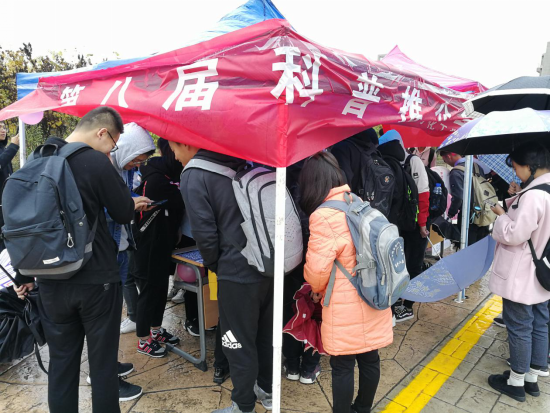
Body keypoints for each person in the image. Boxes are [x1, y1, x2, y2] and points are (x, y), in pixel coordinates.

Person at [14, 107, 149, 413]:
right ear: (102, 132)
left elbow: (23, 223)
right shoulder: (95, 161)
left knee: (61, 364)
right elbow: (122, 212)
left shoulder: (36, 160)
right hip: (96, 279)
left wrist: (24, 276)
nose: (111, 150)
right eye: (113, 144)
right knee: (102, 365)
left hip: (49, 280)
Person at [173, 141, 273, 413]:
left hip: (235, 270)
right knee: (265, 333)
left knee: (236, 340)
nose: (174, 155)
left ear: (185, 142)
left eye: (173, 146)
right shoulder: (242, 160)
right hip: (268, 263)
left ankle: (243, 404)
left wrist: (217, 266)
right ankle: (266, 390)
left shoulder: (194, 174)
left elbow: (204, 235)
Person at [301, 152, 393, 413]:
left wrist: (316, 291)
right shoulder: (358, 202)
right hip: (373, 291)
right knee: (370, 357)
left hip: (345, 301)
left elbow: (317, 271)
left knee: (342, 365)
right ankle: (362, 408)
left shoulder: (323, 215)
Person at [487, 143, 550, 403]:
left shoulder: (534, 196)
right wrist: (518, 195)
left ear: (530, 166)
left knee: (519, 326)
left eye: (516, 167)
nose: (515, 172)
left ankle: (515, 382)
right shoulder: (541, 190)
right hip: (541, 271)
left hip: (522, 272)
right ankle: (532, 378)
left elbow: (515, 234)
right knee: (540, 322)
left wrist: (501, 215)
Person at [133, 138, 183, 358]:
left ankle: (155, 330)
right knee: (148, 292)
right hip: (148, 246)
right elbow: (180, 201)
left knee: (161, 288)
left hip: (163, 243)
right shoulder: (156, 180)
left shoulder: (167, 176)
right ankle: (143, 339)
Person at [378, 131, 430, 323]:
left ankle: (408, 306)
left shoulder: (413, 162)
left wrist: (422, 224)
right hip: (400, 223)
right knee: (401, 264)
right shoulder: (387, 163)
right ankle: (400, 300)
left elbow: (423, 194)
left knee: (413, 264)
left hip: (415, 225)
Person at [109, 123, 156, 335]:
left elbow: (125, 195)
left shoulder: (125, 170)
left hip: (123, 240)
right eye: (135, 160)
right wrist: (129, 204)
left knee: (122, 286)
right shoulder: (104, 169)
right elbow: (101, 207)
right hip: (107, 244)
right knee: (109, 300)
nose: (136, 165)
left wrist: (139, 199)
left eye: (140, 162)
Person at [440, 151, 491, 245]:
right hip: (484, 211)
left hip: (468, 216)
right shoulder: (476, 166)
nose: (446, 162)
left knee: (468, 246)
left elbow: (458, 198)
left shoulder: (456, 172)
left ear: (449, 156)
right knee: (482, 245)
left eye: (444, 160)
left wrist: (451, 213)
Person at [331, 128, 379, 196]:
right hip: (373, 196)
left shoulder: (340, 148)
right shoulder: (370, 144)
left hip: (353, 198)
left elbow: (343, 182)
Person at [0, 121, 20, 191]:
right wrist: (13, 147)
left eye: (4, 127)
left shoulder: (3, 149)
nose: (3, 130)